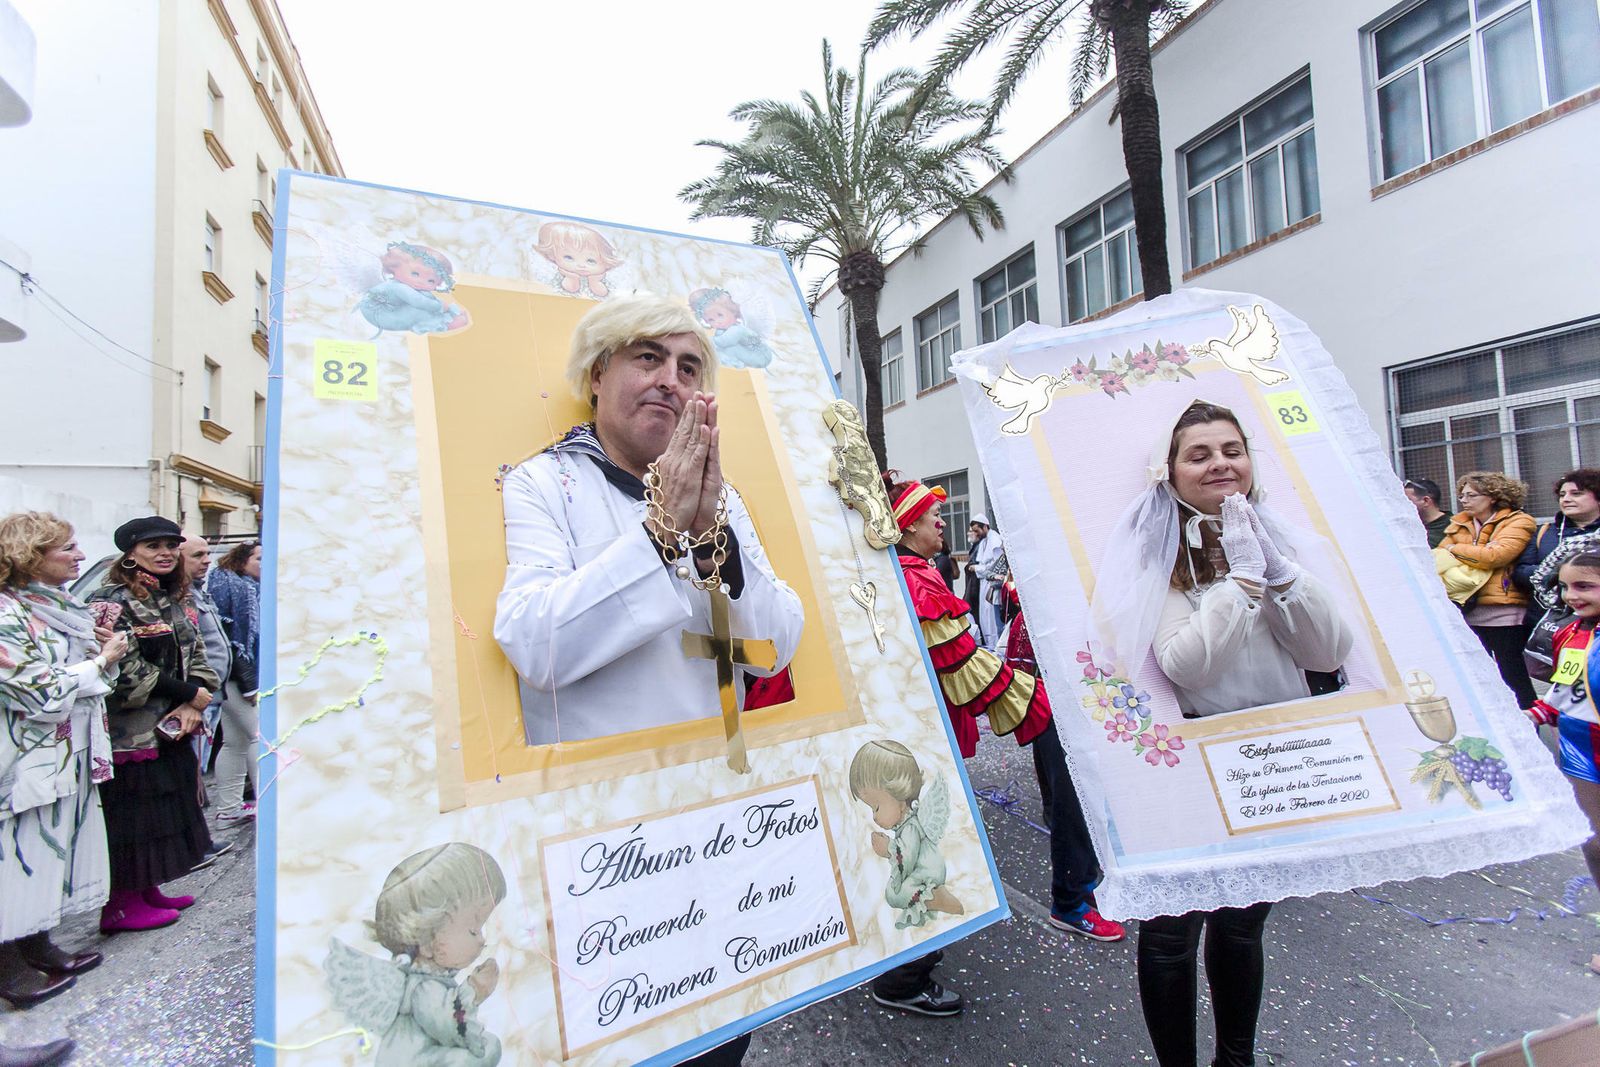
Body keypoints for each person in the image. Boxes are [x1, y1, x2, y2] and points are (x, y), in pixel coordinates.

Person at [1089, 399, 1353, 1066]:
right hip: (1184, 763)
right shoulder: (1152, 556)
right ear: (1171, 471)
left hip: (1273, 759)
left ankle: (1237, 1058)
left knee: (1241, 924)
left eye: (1232, 450)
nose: (1220, 464)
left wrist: (1277, 571)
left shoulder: (1279, 536)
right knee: (1171, 934)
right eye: (1199, 454)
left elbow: (1326, 652)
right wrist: (1239, 582)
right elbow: (1185, 664)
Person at [494, 293, 804, 748]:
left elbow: (772, 653)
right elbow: (536, 650)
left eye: (688, 369)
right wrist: (660, 531)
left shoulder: (722, 498)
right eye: (648, 358)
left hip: (721, 771)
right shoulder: (542, 482)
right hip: (602, 779)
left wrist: (711, 539)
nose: (669, 381)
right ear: (597, 375)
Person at [0, 513, 123, 1014]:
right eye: (67, 548)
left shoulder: (58, 605)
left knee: (45, 853)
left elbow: (87, 684)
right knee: (15, 858)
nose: (79, 555)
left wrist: (103, 659)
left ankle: (36, 943)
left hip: (62, 751)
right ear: (30, 556)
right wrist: (100, 661)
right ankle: (7, 964)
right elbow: (39, 692)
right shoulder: (7, 614)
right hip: (22, 758)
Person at [88, 516, 219, 933]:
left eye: (170, 545)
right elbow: (123, 671)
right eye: (152, 546)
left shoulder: (176, 595)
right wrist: (189, 694)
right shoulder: (112, 600)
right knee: (133, 817)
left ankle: (148, 888)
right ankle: (120, 905)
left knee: (164, 812)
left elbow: (198, 651)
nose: (164, 553)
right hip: (131, 733)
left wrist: (195, 699)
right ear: (130, 553)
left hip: (173, 725)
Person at [1526, 550, 1600, 973]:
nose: (1571, 596)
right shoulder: (1570, 631)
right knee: (1593, 841)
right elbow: (1564, 690)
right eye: (1566, 587)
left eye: (1585, 586)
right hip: (1579, 749)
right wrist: (1535, 715)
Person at [1440, 472, 1538, 709]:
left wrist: (1456, 550)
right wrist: (1473, 553)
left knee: (1512, 674)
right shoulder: (1458, 523)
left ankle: (1529, 721)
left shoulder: (1519, 521)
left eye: (1471, 495)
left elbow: (1496, 556)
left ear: (1493, 497)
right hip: (1466, 608)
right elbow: (1438, 556)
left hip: (1504, 611)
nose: (1464, 500)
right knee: (1477, 676)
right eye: (1462, 495)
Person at [206, 541, 261, 824]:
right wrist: (249, 683)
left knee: (235, 742)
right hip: (237, 678)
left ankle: (229, 809)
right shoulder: (231, 589)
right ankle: (268, 804)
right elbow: (230, 641)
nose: (266, 564)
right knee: (260, 737)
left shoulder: (250, 589)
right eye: (259, 558)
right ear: (242, 561)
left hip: (236, 677)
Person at [1514, 469, 1600, 616]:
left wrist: (1553, 571)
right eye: (1562, 495)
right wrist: (1561, 573)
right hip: (1544, 617)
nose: (1566, 499)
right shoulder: (1544, 532)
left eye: (1576, 494)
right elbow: (1521, 572)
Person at [964, 514, 1004, 649]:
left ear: (985, 526)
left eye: (977, 530)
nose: (976, 533)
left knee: (992, 619)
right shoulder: (983, 541)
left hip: (992, 585)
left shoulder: (995, 540)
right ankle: (990, 646)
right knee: (984, 619)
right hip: (983, 583)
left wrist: (977, 568)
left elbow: (996, 566)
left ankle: (996, 647)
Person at [1403, 477, 1451, 548]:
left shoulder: (1455, 527)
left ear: (1426, 501)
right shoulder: (1407, 527)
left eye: (1408, 500)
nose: (1402, 505)